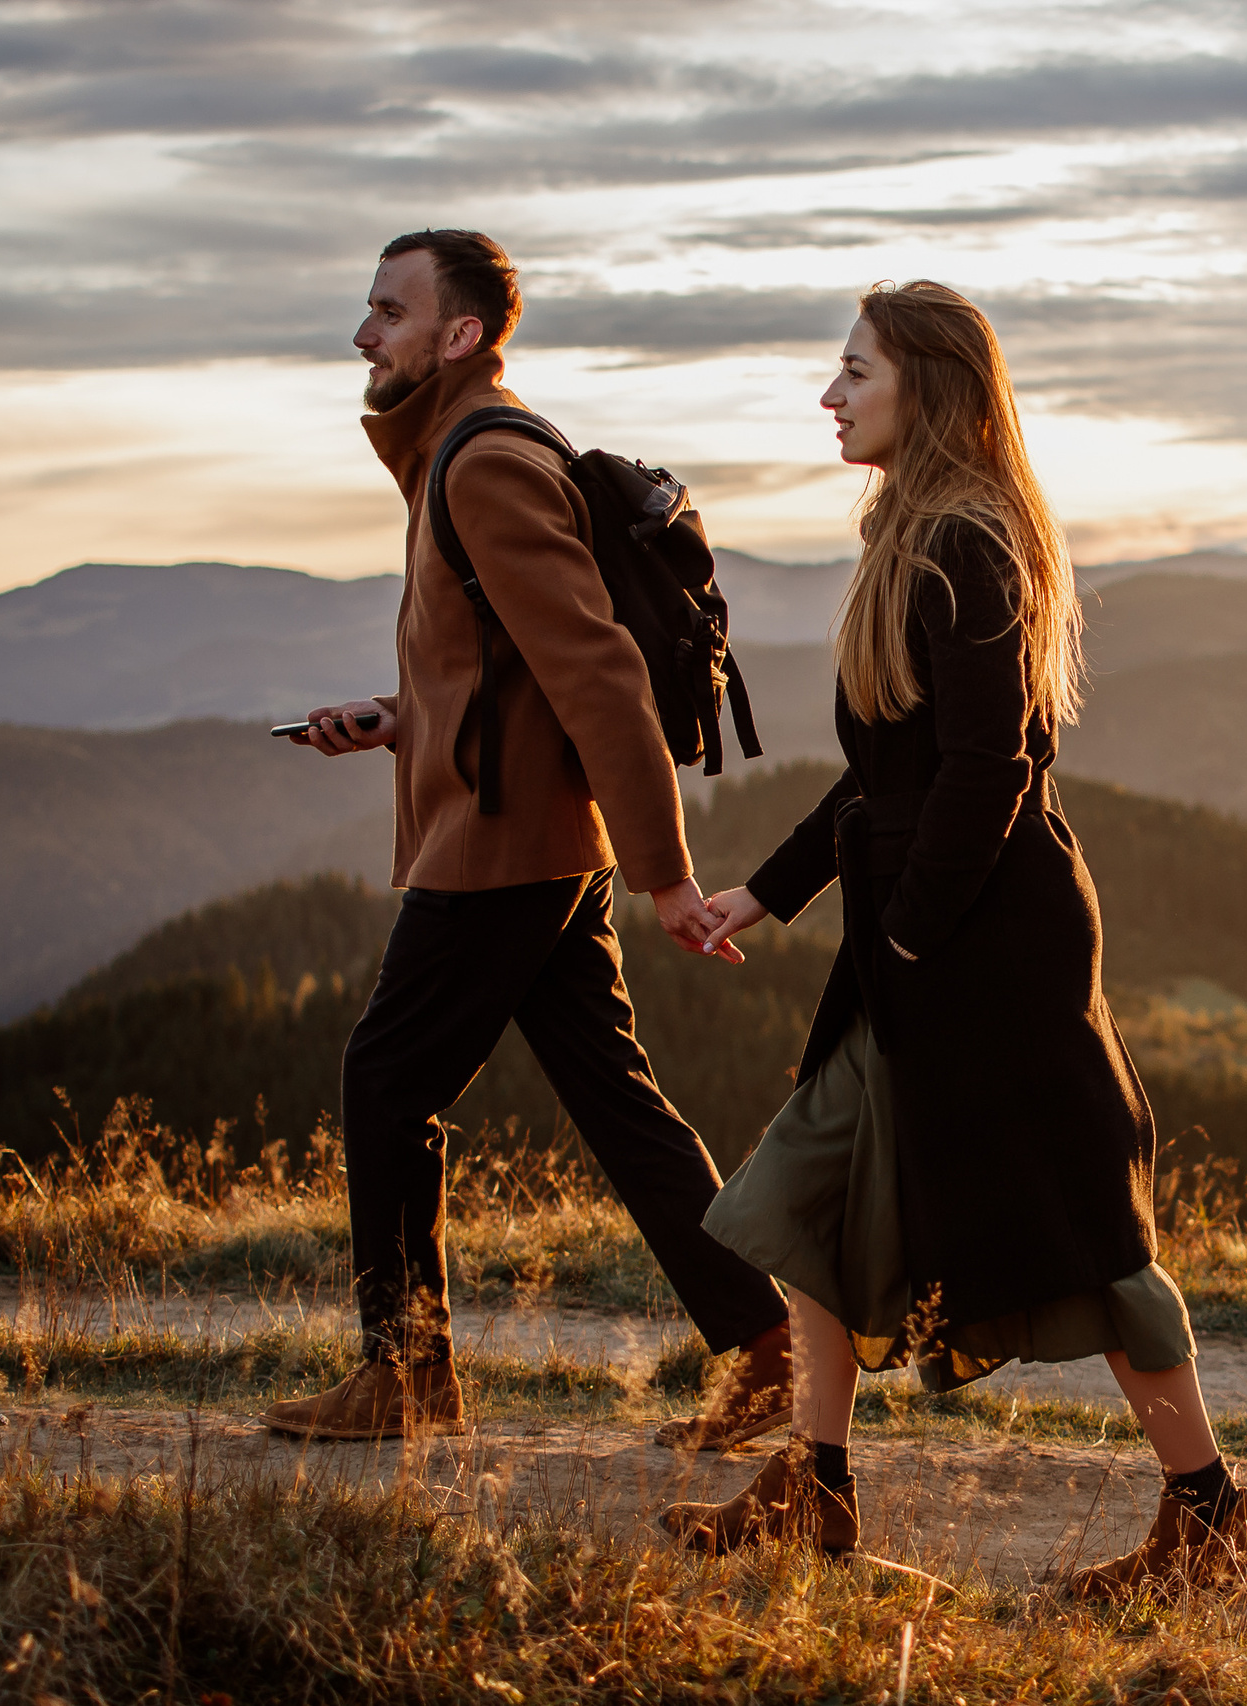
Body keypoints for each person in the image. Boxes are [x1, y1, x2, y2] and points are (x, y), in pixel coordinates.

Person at [660, 281, 1247, 1599]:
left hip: (988, 950)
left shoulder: (964, 545)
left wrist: (913, 941)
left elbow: (990, 767)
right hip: (918, 938)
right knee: (807, 1196)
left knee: (1089, 1230)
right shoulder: (913, 536)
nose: (830, 395)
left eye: (854, 371)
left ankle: (1209, 1519)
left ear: (927, 388)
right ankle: (816, 1488)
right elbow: (888, 769)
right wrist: (763, 894)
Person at [261, 229, 793, 1447]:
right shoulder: (466, 450)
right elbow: (504, 674)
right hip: (539, 836)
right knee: (615, 1097)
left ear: (460, 335)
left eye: (389, 312)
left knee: (385, 1082)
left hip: (502, 849)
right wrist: (397, 719)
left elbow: (597, 673)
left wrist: (667, 874)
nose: (363, 334)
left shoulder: (484, 462)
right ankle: (768, 1345)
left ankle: (407, 1372)